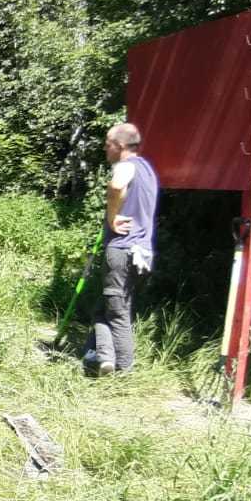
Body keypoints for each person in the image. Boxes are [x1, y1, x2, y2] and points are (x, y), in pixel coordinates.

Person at [85, 122, 159, 376]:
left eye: (108, 144)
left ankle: (124, 372)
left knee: (117, 313)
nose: (105, 149)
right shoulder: (148, 170)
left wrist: (112, 217)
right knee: (103, 308)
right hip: (140, 253)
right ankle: (105, 358)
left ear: (121, 146)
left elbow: (116, 186)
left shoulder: (127, 166)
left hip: (122, 250)